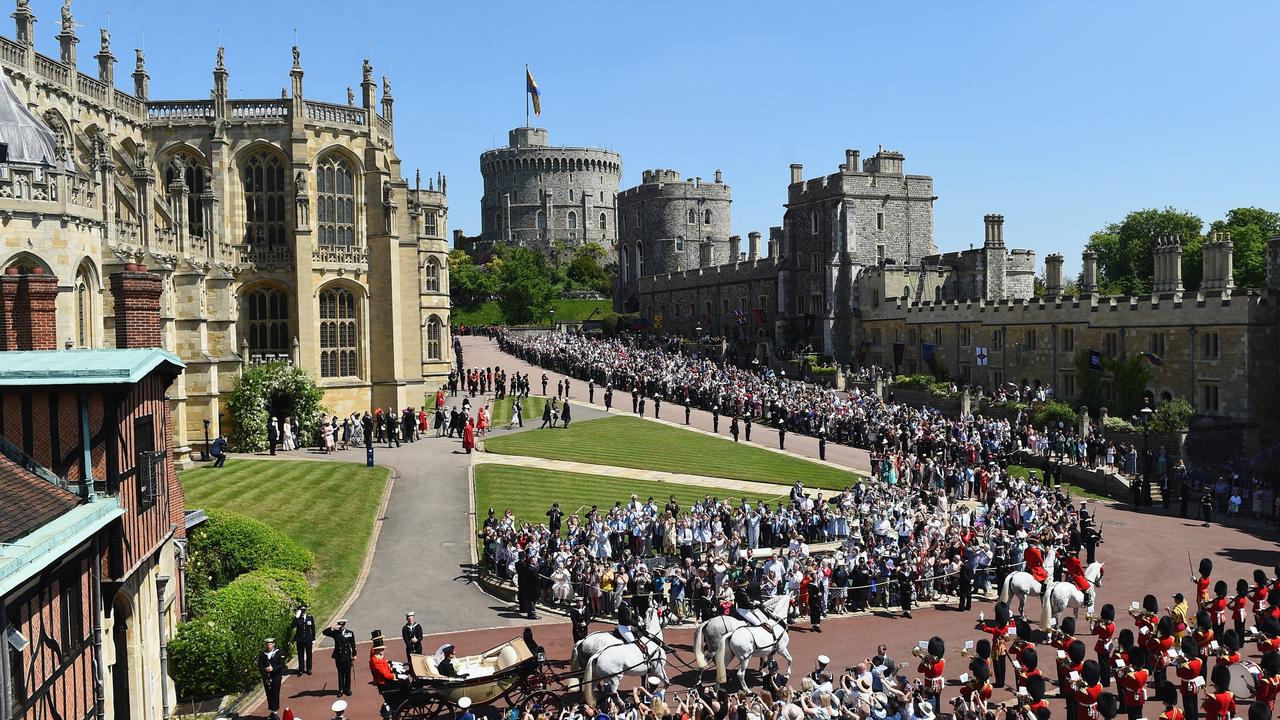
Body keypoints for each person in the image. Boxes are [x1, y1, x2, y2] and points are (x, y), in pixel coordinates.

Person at [322, 619, 357, 696]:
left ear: (344, 625)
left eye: (342, 625)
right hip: (339, 656)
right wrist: (332, 627)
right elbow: (324, 632)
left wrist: (354, 654)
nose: (341, 626)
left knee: (347, 674)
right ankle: (341, 690)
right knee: (340, 674)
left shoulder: (349, 633)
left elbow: (353, 644)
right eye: (340, 625)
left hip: (347, 656)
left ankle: (347, 689)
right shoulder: (335, 633)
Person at [258, 638, 286, 720]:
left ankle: (275, 713)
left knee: (275, 693)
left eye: (270, 644)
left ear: (273, 644)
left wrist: (273, 668)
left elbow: (281, 665)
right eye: (267, 645)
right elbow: (260, 666)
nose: (269, 646)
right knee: (269, 694)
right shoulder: (262, 654)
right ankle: (272, 711)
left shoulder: (279, 652)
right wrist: (265, 676)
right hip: (266, 677)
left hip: (276, 677)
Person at [291, 604, 315, 675]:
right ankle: (301, 669)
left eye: (304, 610)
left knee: (309, 654)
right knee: (300, 655)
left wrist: (313, 638)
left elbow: (313, 629)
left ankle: (309, 669)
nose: (303, 611)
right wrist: (296, 617)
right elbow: (292, 626)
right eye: (302, 610)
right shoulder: (297, 618)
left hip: (308, 639)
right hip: (300, 639)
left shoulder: (310, 617)